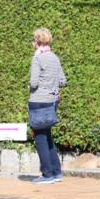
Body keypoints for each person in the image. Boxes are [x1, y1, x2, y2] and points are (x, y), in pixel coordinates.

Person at [28, 27, 66, 184]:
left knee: (40, 138)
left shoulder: (37, 58)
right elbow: (62, 81)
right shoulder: (55, 57)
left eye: (33, 40)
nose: (32, 43)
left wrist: (30, 86)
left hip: (38, 101)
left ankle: (47, 174)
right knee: (47, 136)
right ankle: (57, 172)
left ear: (37, 41)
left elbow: (33, 83)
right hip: (52, 101)